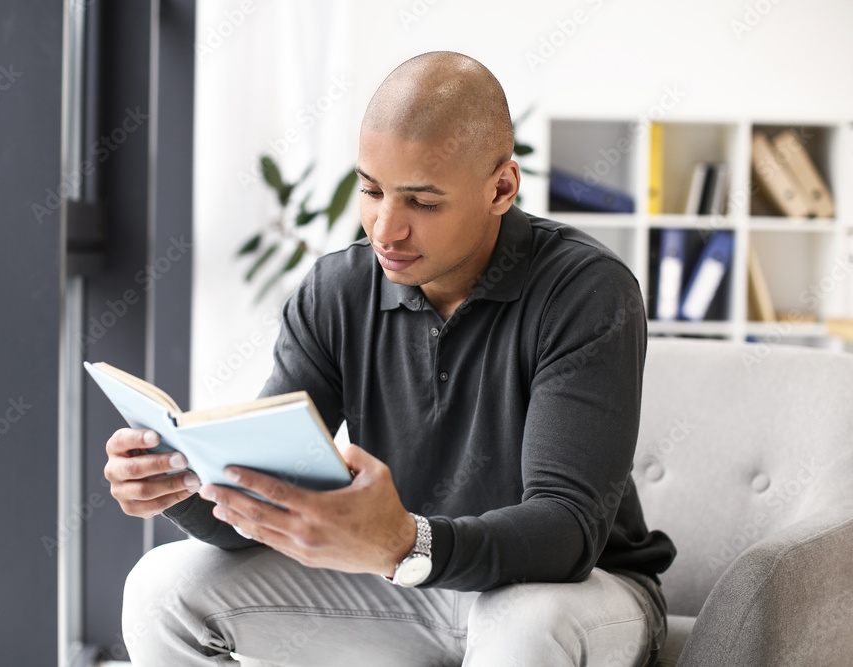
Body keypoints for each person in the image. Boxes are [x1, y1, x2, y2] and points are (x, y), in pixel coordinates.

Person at [105, 51, 676, 666]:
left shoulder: (586, 290)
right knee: (162, 589)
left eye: (423, 203)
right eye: (371, 190)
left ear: (502, 187)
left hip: (575, 591)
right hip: (406, 583)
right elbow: (269, 505)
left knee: (523, 625)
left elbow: (567, 531)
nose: (385, 230)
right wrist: (182, 484)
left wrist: (407, 542)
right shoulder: (337, 291)